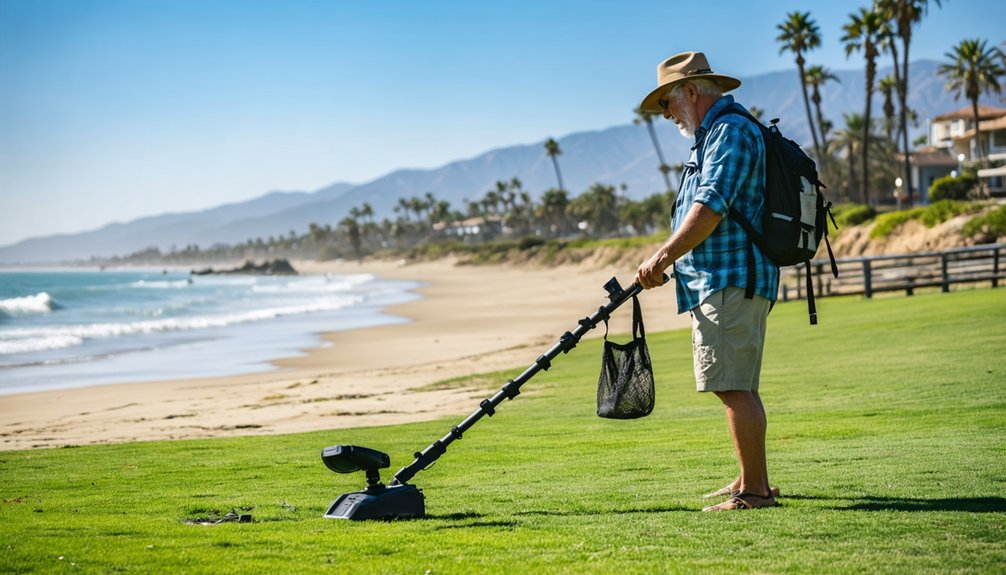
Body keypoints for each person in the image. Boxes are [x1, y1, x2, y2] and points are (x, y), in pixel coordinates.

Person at [635, 51, 780, 511]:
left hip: (730, 277)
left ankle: (755, 493)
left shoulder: (729, 132)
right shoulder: (716, 134)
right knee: (734, 382)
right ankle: (748, 480)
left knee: (733, 384)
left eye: (668, 103)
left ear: (692, 93)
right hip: (722, 278)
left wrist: (661, 256)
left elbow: (710, 207)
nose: (666, 114)